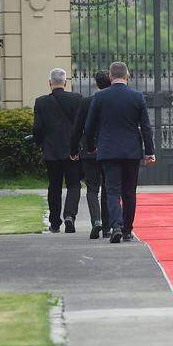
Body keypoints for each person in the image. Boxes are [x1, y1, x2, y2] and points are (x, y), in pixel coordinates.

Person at [85, 62, 155, 243]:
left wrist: (91, 146)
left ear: (110, 77)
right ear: (127, 76)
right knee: (129, 192)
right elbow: (146, 127)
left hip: (108, 150)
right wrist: (150, 152)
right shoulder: (137, 97)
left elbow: (90, 126)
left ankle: (116, 225)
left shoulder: (100, 97)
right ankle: (127, 230)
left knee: (112, 190)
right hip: (131, 151)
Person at [32, 68, 83, 233]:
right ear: (65, 82)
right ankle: (70, 216)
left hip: (51, 151)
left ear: (50, 83)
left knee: (54, 186)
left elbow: (37, 129)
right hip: (72, 150)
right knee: (74, 185)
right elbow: (81, 126)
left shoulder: (41, 102)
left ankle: (55, 222)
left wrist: (41, 143)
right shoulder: (77, 99)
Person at [70, 71, 111, 240]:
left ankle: (96, 221)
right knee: (108, 189)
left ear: (96, 84)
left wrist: (73, 150)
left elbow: (77, 128)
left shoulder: (86, 101)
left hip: (89, 150)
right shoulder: (111, 101)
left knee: (92, 189)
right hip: (108, 150)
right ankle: (107, 226)